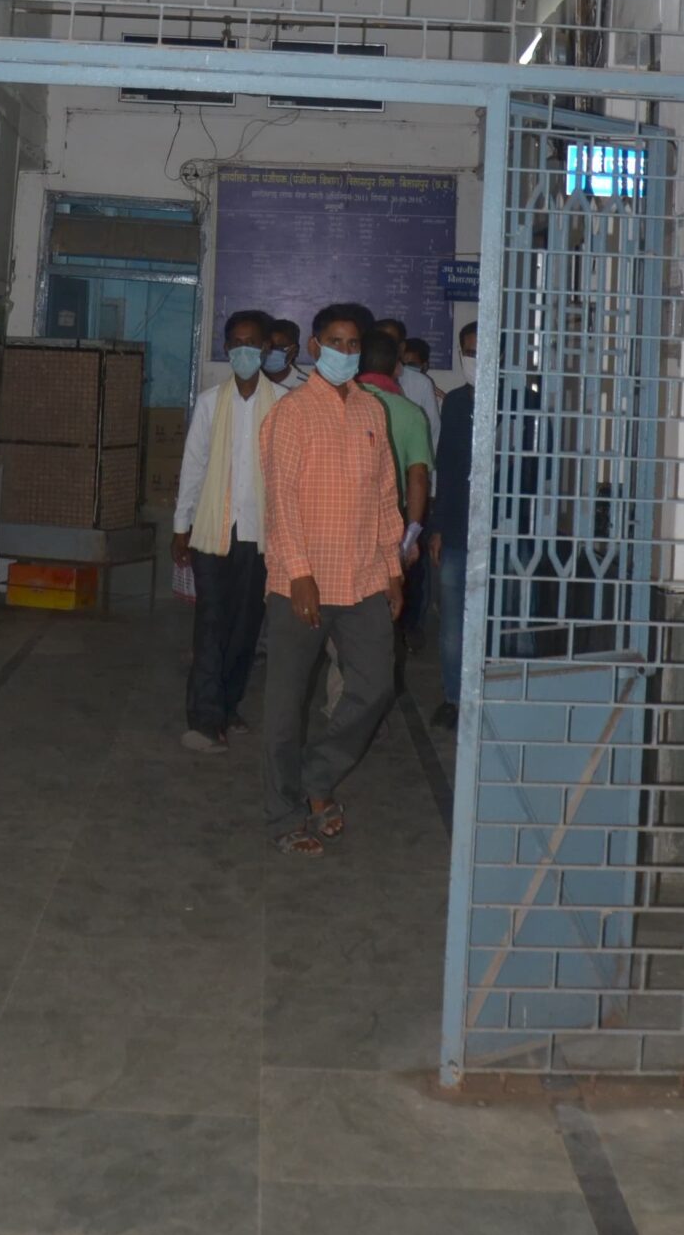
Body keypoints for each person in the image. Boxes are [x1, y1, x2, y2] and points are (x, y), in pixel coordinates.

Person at [259, 301, 403, 856]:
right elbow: (281, 501)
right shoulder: (293, 414)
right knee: (285, 704)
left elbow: (385, 496)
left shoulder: (372, 411)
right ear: (316, 346)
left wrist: (392, 570)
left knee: (375, 686)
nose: (345, 352)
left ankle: (317, 776)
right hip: (303, 581)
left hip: (363, 578)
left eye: (353, 344)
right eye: (335, 342)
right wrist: (299, 574)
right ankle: (284, 814)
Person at [172, 307, 284, 754]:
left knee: (245, 627)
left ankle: (229, 704)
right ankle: (204, 717)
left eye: (252, 343)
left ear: (267, 349)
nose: (243, 350)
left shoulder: (284, 405)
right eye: (236, 343)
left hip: (260, 535)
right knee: (211, 624)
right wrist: (180, 526)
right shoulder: (209, 403)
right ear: (225, 348)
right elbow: (194, 466)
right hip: (212, 532)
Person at [428, 320, 478, 729]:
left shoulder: (524, 400)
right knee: (452, 623)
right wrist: (438, 527)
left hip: (507, 533)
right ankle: (454, 698)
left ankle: (506, 695)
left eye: (482, 350)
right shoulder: (457, 403)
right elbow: (445, 466)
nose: (474, 359)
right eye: (469, 352)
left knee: (509, 620)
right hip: (459, 531)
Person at [356, 326, 432, 576]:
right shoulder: (411, 413)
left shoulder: (342, 404)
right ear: (397, 367)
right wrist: (410, 537)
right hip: (391, 520)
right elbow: (418, 477)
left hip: (341, 514)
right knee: (388, 589)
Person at [378, 315, 440, 453]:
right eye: (380, 341)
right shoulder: (359, 381)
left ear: (401, 347)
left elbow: (432, 434)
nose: (385, 347)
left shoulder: (421, 383)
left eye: (391, 342)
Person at [263, 318, 305, 387]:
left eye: (279, 348)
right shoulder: (251, 383)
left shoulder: (308, 387)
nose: (271, 351)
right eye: (269, 346)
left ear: (294, 351)